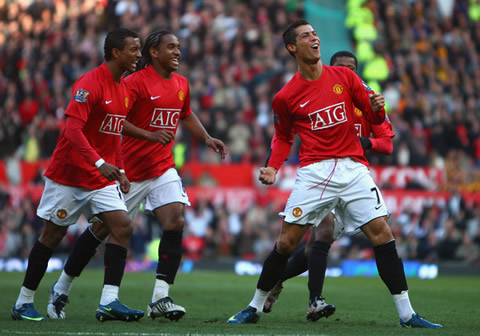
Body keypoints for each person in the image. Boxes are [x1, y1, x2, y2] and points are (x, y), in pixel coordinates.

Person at [227, 20, 442, 329]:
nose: (314, 38)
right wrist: (273, 165)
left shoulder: (344, 77)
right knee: (287, 243)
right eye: (305, 36)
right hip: (315, 171)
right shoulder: (285, 97)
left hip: (353, 168)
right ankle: (254, 306)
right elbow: (283, 136)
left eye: (315, 34)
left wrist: (378, 108)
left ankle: (408, 314)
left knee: (383, 234)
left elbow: (372, 116)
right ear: (292, 48)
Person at [47, 30, 227, 322]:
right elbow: (116, 121)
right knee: (103, 231)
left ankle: (160, 297)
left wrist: (206, 137)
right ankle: (62, 285)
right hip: (129, 170)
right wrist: (147, 135)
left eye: (179, 47)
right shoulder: (133, 83)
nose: (178, 52)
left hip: (162, 167)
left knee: (176, 219)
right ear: (153, 52)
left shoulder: (181, 83)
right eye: (171, 47)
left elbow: (186, 112)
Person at [11, 27, 144, 322]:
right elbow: (72, 130)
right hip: (69, 175)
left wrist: (120, 170)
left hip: (101, 177)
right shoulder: (89, 83)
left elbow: (114, 133)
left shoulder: (123, 88)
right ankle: (23, 302)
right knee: (52, 235)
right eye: (134, 49)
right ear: (115, 52)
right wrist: (100, 163)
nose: (139, 54)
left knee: (122, 227)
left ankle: (109, 301)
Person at [263, 51, 396, 319]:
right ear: (330, 71)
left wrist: (365, 142)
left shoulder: (366, 101)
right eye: (341, 68)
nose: (347, 72)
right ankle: (315, 301)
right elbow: (286, 135)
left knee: (314, 248)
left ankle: (277, 280)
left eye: (352, 68)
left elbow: (387, 142)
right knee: (323, 231)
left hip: (353, 176)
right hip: (322, 174)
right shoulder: (315, 97)